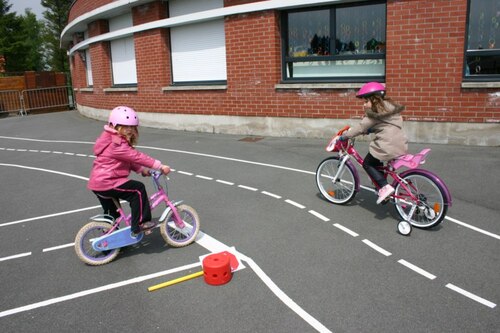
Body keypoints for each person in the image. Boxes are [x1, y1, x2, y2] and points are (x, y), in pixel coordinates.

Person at [87, 106, 171, 237]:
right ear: (115, 126)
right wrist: (159, 166)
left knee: (113, 214)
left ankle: (109, 242)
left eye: (132, 127)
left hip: (98, 183)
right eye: (126, 127)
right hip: (108, 181)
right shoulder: (117, 144)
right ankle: (141, 224)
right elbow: (136, 156)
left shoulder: (110, 140)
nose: (130, 130)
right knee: (137, 190)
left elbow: (127, 161)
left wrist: (142, 170)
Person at [340, 82, 408, 204]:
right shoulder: (390, 108)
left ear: (375, 100)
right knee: (377, 162)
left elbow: (361, 127)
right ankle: (382, 186)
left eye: (366, 101)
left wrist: (344, 136)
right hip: (400, 144)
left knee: (368, 163)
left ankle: (384, 187)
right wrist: (371, 129)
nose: (365, 105)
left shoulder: (374, 112)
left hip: (386, 146)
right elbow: (386, 125)